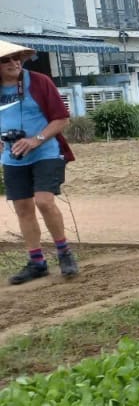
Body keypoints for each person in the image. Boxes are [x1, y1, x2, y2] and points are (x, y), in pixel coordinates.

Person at [0, 40, 79, 285]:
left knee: (44, 201)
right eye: (6, 60)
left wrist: (36, 140)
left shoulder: (40, 82)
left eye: (17, 58)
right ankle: (37, 262)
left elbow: (61, 119)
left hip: (46, 151)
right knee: (23, 208)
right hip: (12, 157)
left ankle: (64, 253)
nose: (14, 63)